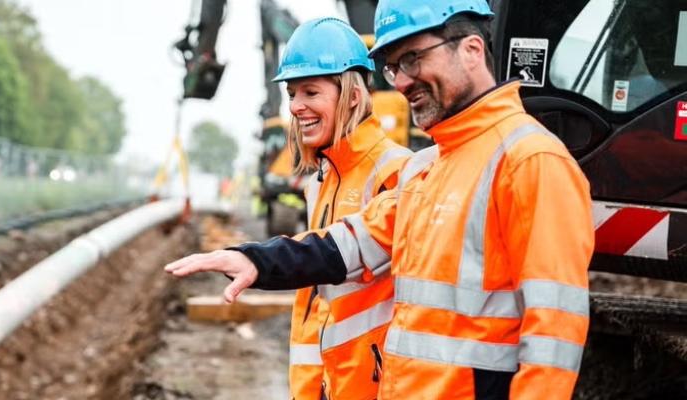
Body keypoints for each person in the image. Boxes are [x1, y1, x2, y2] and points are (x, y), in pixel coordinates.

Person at [165, 1, 595, 399]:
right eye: (392, 68)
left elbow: (554, 334)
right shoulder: (428, 168)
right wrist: (256, 261)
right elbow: (349, 244)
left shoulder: (529, 160)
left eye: (412, 59)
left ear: (472, 49)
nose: (402, 82)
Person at [269, 17, 411, 400]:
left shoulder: (395, 172)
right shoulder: (324, 179)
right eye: (292, 94)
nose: (297, 107)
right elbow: (317, 304)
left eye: (311, 92)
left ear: (350, 94)